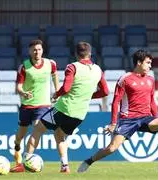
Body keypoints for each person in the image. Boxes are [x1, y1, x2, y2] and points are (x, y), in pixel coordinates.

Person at [77, 49, 158, 173]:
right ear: (138, 62)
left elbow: (152, 101)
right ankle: (89, 161)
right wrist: (113, 123)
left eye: (150, 63)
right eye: (148, 63)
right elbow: (115, 102)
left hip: (145, 118)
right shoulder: (125, 79)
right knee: (112, 148)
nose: (150, 66)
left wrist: (157, 120)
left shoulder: (150, 80)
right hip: (127, 120)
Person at [19, 41, 109, 173]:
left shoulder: (72, 67)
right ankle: (65, 165)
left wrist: (56, 94)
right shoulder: (97, 69)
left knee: (38, 129)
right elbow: (105, 92)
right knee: (59, 135)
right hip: (80, 115)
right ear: (90, 53)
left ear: (76, 54)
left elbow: (66, 88)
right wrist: (88, 96)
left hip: (64, 109)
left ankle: (26, 161)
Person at [10, 39, 60, 172]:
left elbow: (55, 76)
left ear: (42, 50)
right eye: (34, 49)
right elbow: (19, 87)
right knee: (20, 136)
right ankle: (17, 150)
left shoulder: (51, 64)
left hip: (43, 104)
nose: (37, 52)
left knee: (37, 128)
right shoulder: (24, 66)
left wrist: (58, 91)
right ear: (30, 51)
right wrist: (23, 93)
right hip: (26, 106)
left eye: (39, 49)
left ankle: (27, 160)